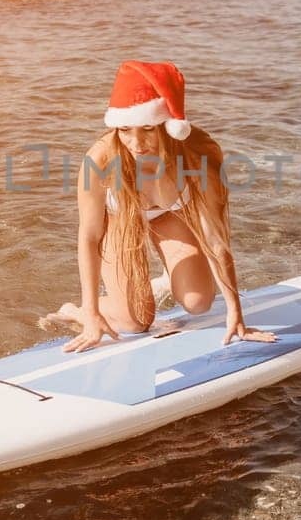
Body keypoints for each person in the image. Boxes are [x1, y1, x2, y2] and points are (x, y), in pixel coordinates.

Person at [44, 60, 277, 353]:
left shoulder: (199, 154)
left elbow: (216, 238)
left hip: (170, 215)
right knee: (135, 322)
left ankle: (166, 280)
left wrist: (236, 314)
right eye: (125, 129)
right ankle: (76, 310)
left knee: (199, 302)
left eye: (148, 129)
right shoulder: (100, 160)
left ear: (168, 126)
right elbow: (89, 238)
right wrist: (90, 315)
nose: (136, 142)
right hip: (119, 220)